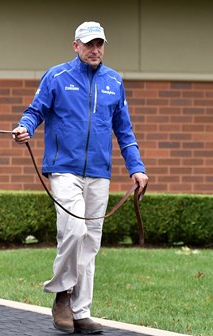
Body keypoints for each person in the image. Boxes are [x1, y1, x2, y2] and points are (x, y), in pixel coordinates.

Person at [12, 21, 148, 334]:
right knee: (73, 231)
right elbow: (35, 111)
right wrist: (25, 127)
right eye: (89, 44)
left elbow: (124, 131)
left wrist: (137, 167)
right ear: (76, 46)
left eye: (99, 44)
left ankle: (80, 311)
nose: (95, 50)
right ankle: (62, 294)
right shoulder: (57, 76)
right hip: (64, 169)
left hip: (100, 173)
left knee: (90, 242)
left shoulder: (114, 82)